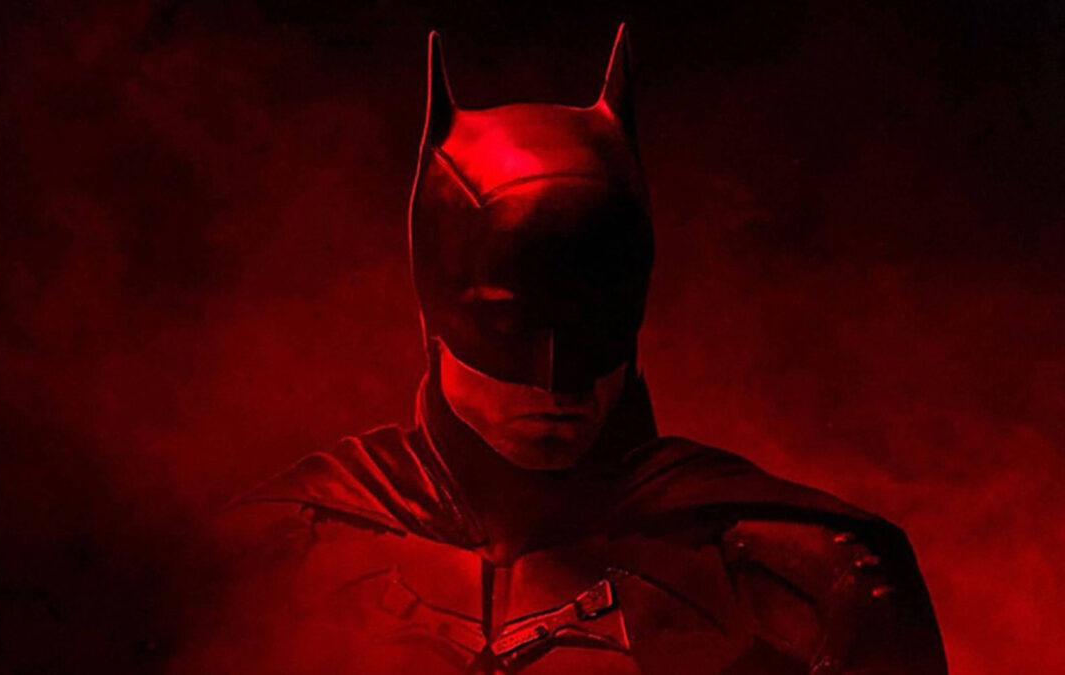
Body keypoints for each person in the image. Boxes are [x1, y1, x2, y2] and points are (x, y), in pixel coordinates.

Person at [187, 25, 947, 674]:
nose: (555, 385)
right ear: (435, 315)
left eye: (591, 333)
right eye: (511, 331)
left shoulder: (812, 572)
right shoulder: (269, 556)